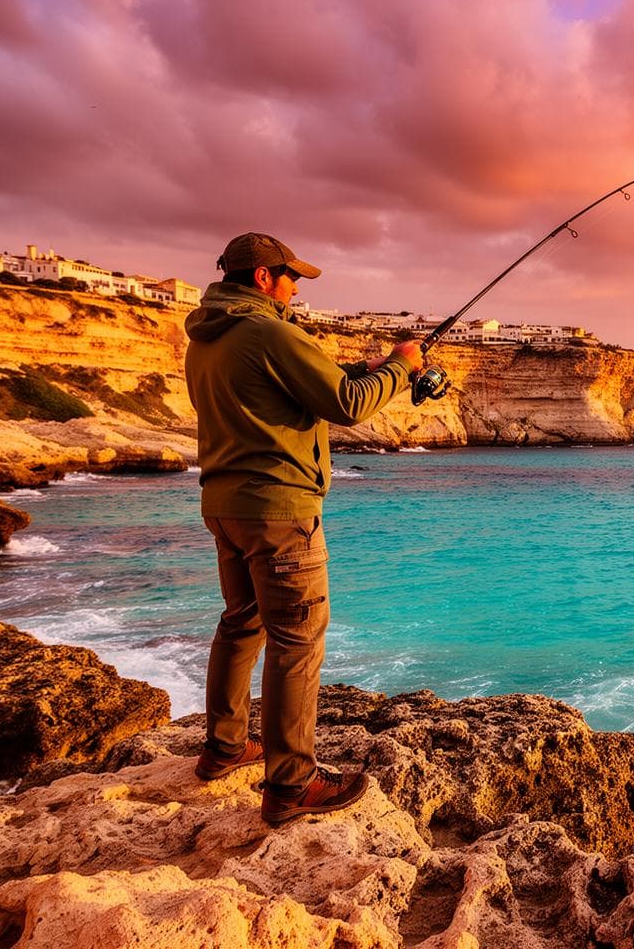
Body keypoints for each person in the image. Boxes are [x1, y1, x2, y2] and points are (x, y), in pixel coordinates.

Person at [183, 232, 424, 826]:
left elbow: (284, 389)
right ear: (264, 278)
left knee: (242, 623)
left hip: (225, 503)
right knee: (297, 639)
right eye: (291, 278)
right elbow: (346, 404)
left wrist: (360, 367)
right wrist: (399, 366)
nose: (296, 290)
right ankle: (291, 784)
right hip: (280, 511)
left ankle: (225, 746)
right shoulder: (269, 330)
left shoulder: (208, 339)